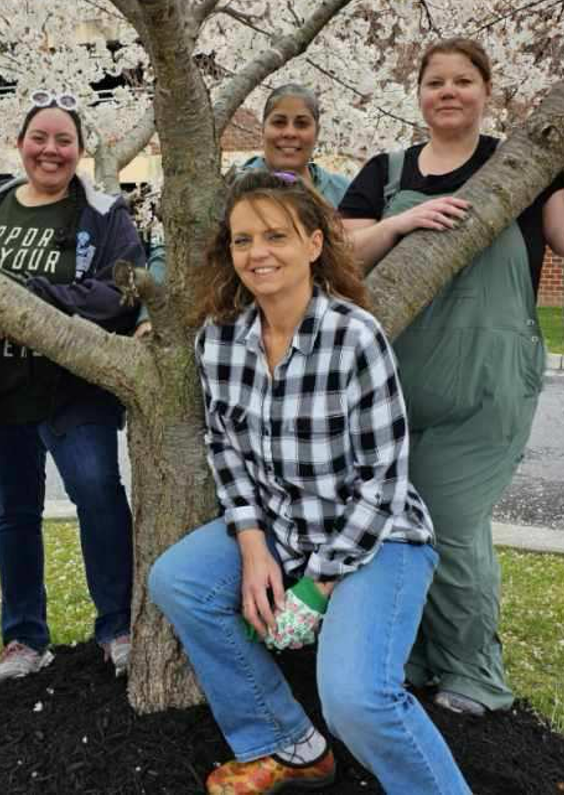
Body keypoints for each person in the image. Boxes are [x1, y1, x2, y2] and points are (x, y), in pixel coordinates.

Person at [149, 171, 469, 795]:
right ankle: (288, 744)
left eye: (276, 235)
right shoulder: (218, 342)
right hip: (279, 527)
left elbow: (382, 478)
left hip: (377, 539)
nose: (257, 253)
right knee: (177, 580)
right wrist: (249, 543)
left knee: (357, 698)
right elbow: (224, 446)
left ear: (315, 245)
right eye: (242, 240)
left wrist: (319, 583)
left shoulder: (355, 336)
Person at [340, 37, 564, 717]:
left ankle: (473, 674)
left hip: (489, 385)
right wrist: (403, 221)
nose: (448, 91)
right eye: (435, 81)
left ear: (484, 91)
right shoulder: (386, 170)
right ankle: (408, 659)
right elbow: (342, 251)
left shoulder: (517, 167)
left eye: (463, 80)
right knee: (392, 528)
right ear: (419, 94)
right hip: (392, 386)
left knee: (451, 526)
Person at [0, 90, 145, 682]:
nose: (51, 150)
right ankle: (23, 640)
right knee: (15, 513)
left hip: (72, 390)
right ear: (21, 144)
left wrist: (34, 297)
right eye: (41, 138)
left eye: (64, 140)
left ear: (80, 151)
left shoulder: (104, 214)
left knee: (99, 498)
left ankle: (116, 626)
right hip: (1, 388)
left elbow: (122, 289)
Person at [138, 83, 350, 335]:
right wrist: (148, 318)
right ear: (263, 129)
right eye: (279, 122)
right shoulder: (231, 190)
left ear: (316, 132)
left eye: (302, 124)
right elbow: (172, 249)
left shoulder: (343, 191)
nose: (290, 133)